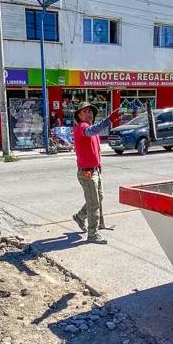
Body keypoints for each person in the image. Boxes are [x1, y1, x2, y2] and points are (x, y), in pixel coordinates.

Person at [71, 102, 119, 244]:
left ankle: (81, 217)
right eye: (85, 111)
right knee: (94, 204)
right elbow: (91, 131)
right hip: (86, 173)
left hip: (95, 170)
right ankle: (92, 234)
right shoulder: (82, 127)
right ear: (79, 115)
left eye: (90, 111)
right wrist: (109, 120)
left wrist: (99, 166)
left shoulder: (92, 131)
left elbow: (96, 150)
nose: (89, 113)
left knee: (98, 199)